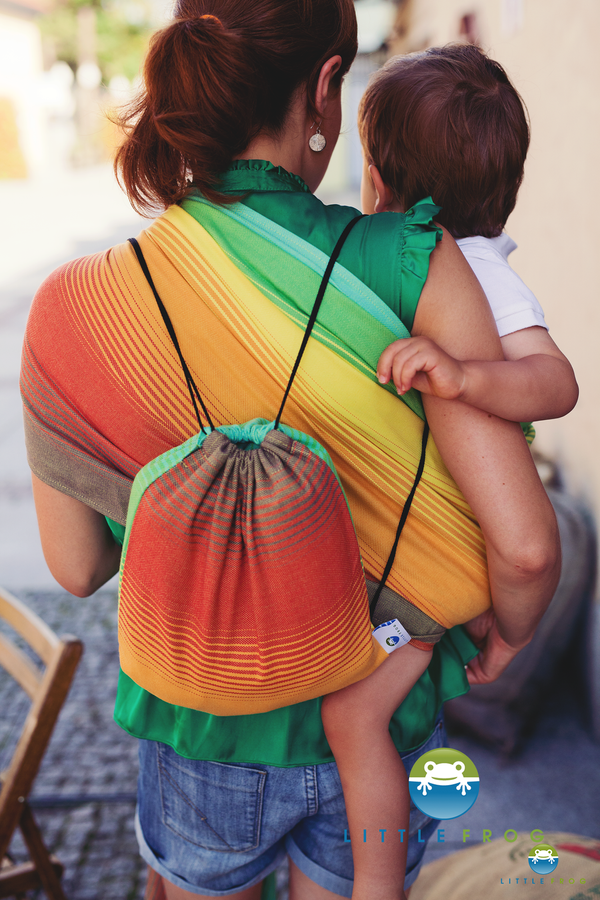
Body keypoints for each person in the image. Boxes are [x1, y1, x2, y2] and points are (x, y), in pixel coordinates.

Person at [20, 6, 560, 900]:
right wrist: (505, 637)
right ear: (324, 88)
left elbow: (77, 568)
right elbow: (528, 547)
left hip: (208, 726)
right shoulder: (419, 262)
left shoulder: (76, 307)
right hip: (383, 715)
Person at [319, 43, 576, 900]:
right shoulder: (412, 262)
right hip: (418, 547)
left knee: (355, 715)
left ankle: (377, 885)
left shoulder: (485, 276)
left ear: (380, 180)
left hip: (438, 564)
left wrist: (466, 377)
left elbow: (557, 383)